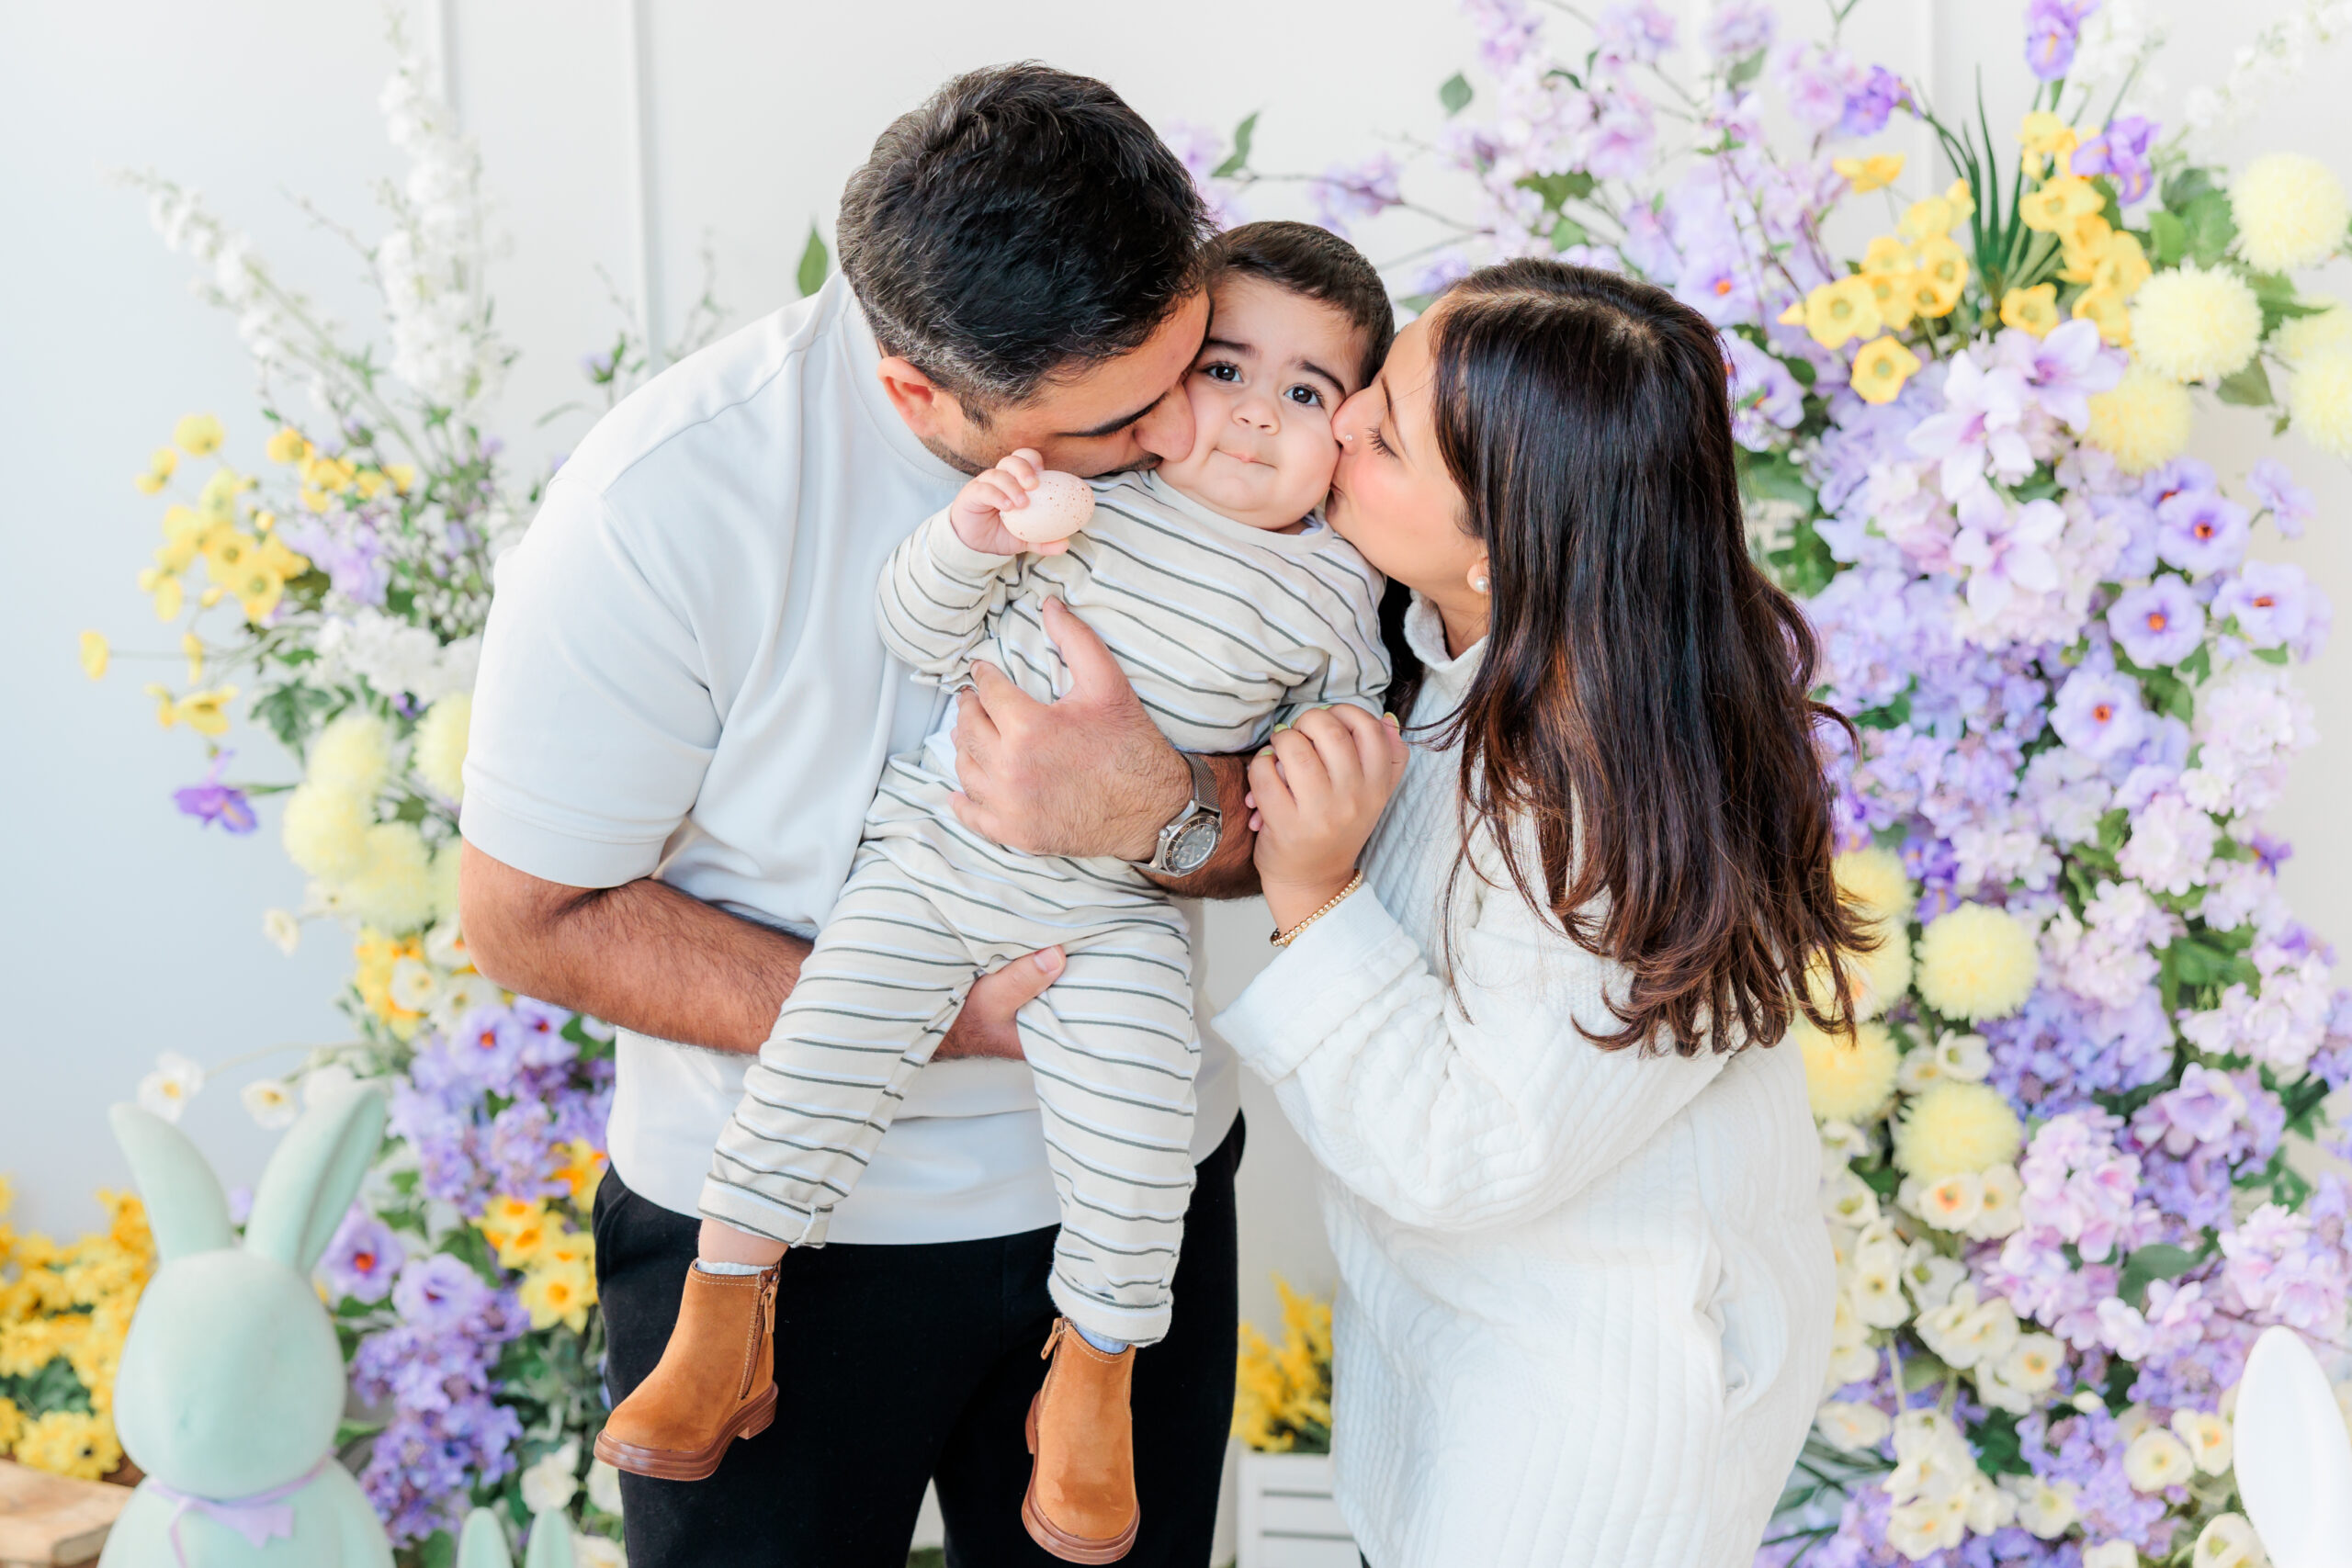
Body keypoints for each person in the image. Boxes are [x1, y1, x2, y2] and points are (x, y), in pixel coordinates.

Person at [458, 64, 1256, 1568]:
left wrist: (1158, 808)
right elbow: (527, 917)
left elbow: (1298, 829)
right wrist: (942, 1012)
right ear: (916, 394)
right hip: (777, 1254)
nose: (1178, 442)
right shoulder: (665, 508)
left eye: (1190, 366)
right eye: (1113, 423)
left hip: (1130, 1222)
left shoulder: (1234, 425)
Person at [596, 222, 1395, 1565]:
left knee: (1147, 1138)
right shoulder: (1088, 499)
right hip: (938, 851)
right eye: (1225, 370)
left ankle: (1091, 1381)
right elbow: (915, 632)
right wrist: (972, 539)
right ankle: (723, 1317)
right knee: (824, 1040)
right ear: (1158, 388)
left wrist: (1326, 774)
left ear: (1350, 434)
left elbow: (1304, 791)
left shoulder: (1336, 588)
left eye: (1307, 394)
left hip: (1115, 917)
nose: (1257, 415)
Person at [1211, 261, 1857, 1568]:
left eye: (1382, 436)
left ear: (1503, 548)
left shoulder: (1600, 794)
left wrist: (1313, 896)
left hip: (1581, 1450)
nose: (1334, 424)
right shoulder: (1482, 661)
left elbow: (1474, 1152)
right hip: (1480, 1376)